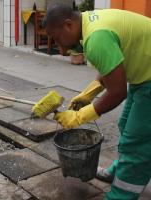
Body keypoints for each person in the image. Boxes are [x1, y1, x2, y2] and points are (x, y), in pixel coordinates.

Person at [43, 5, 151, 200]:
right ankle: (120, 168)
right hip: (143, 76)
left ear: (68, 25)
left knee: (137, 142)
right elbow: (111, 62)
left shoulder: (96, 38)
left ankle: (121, 195)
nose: (61, 49)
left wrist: (79, 117)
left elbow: (117, 92)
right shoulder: (89, 22)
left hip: (148, 80)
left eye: (58, 39)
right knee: (126, 125)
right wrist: (89, 93)